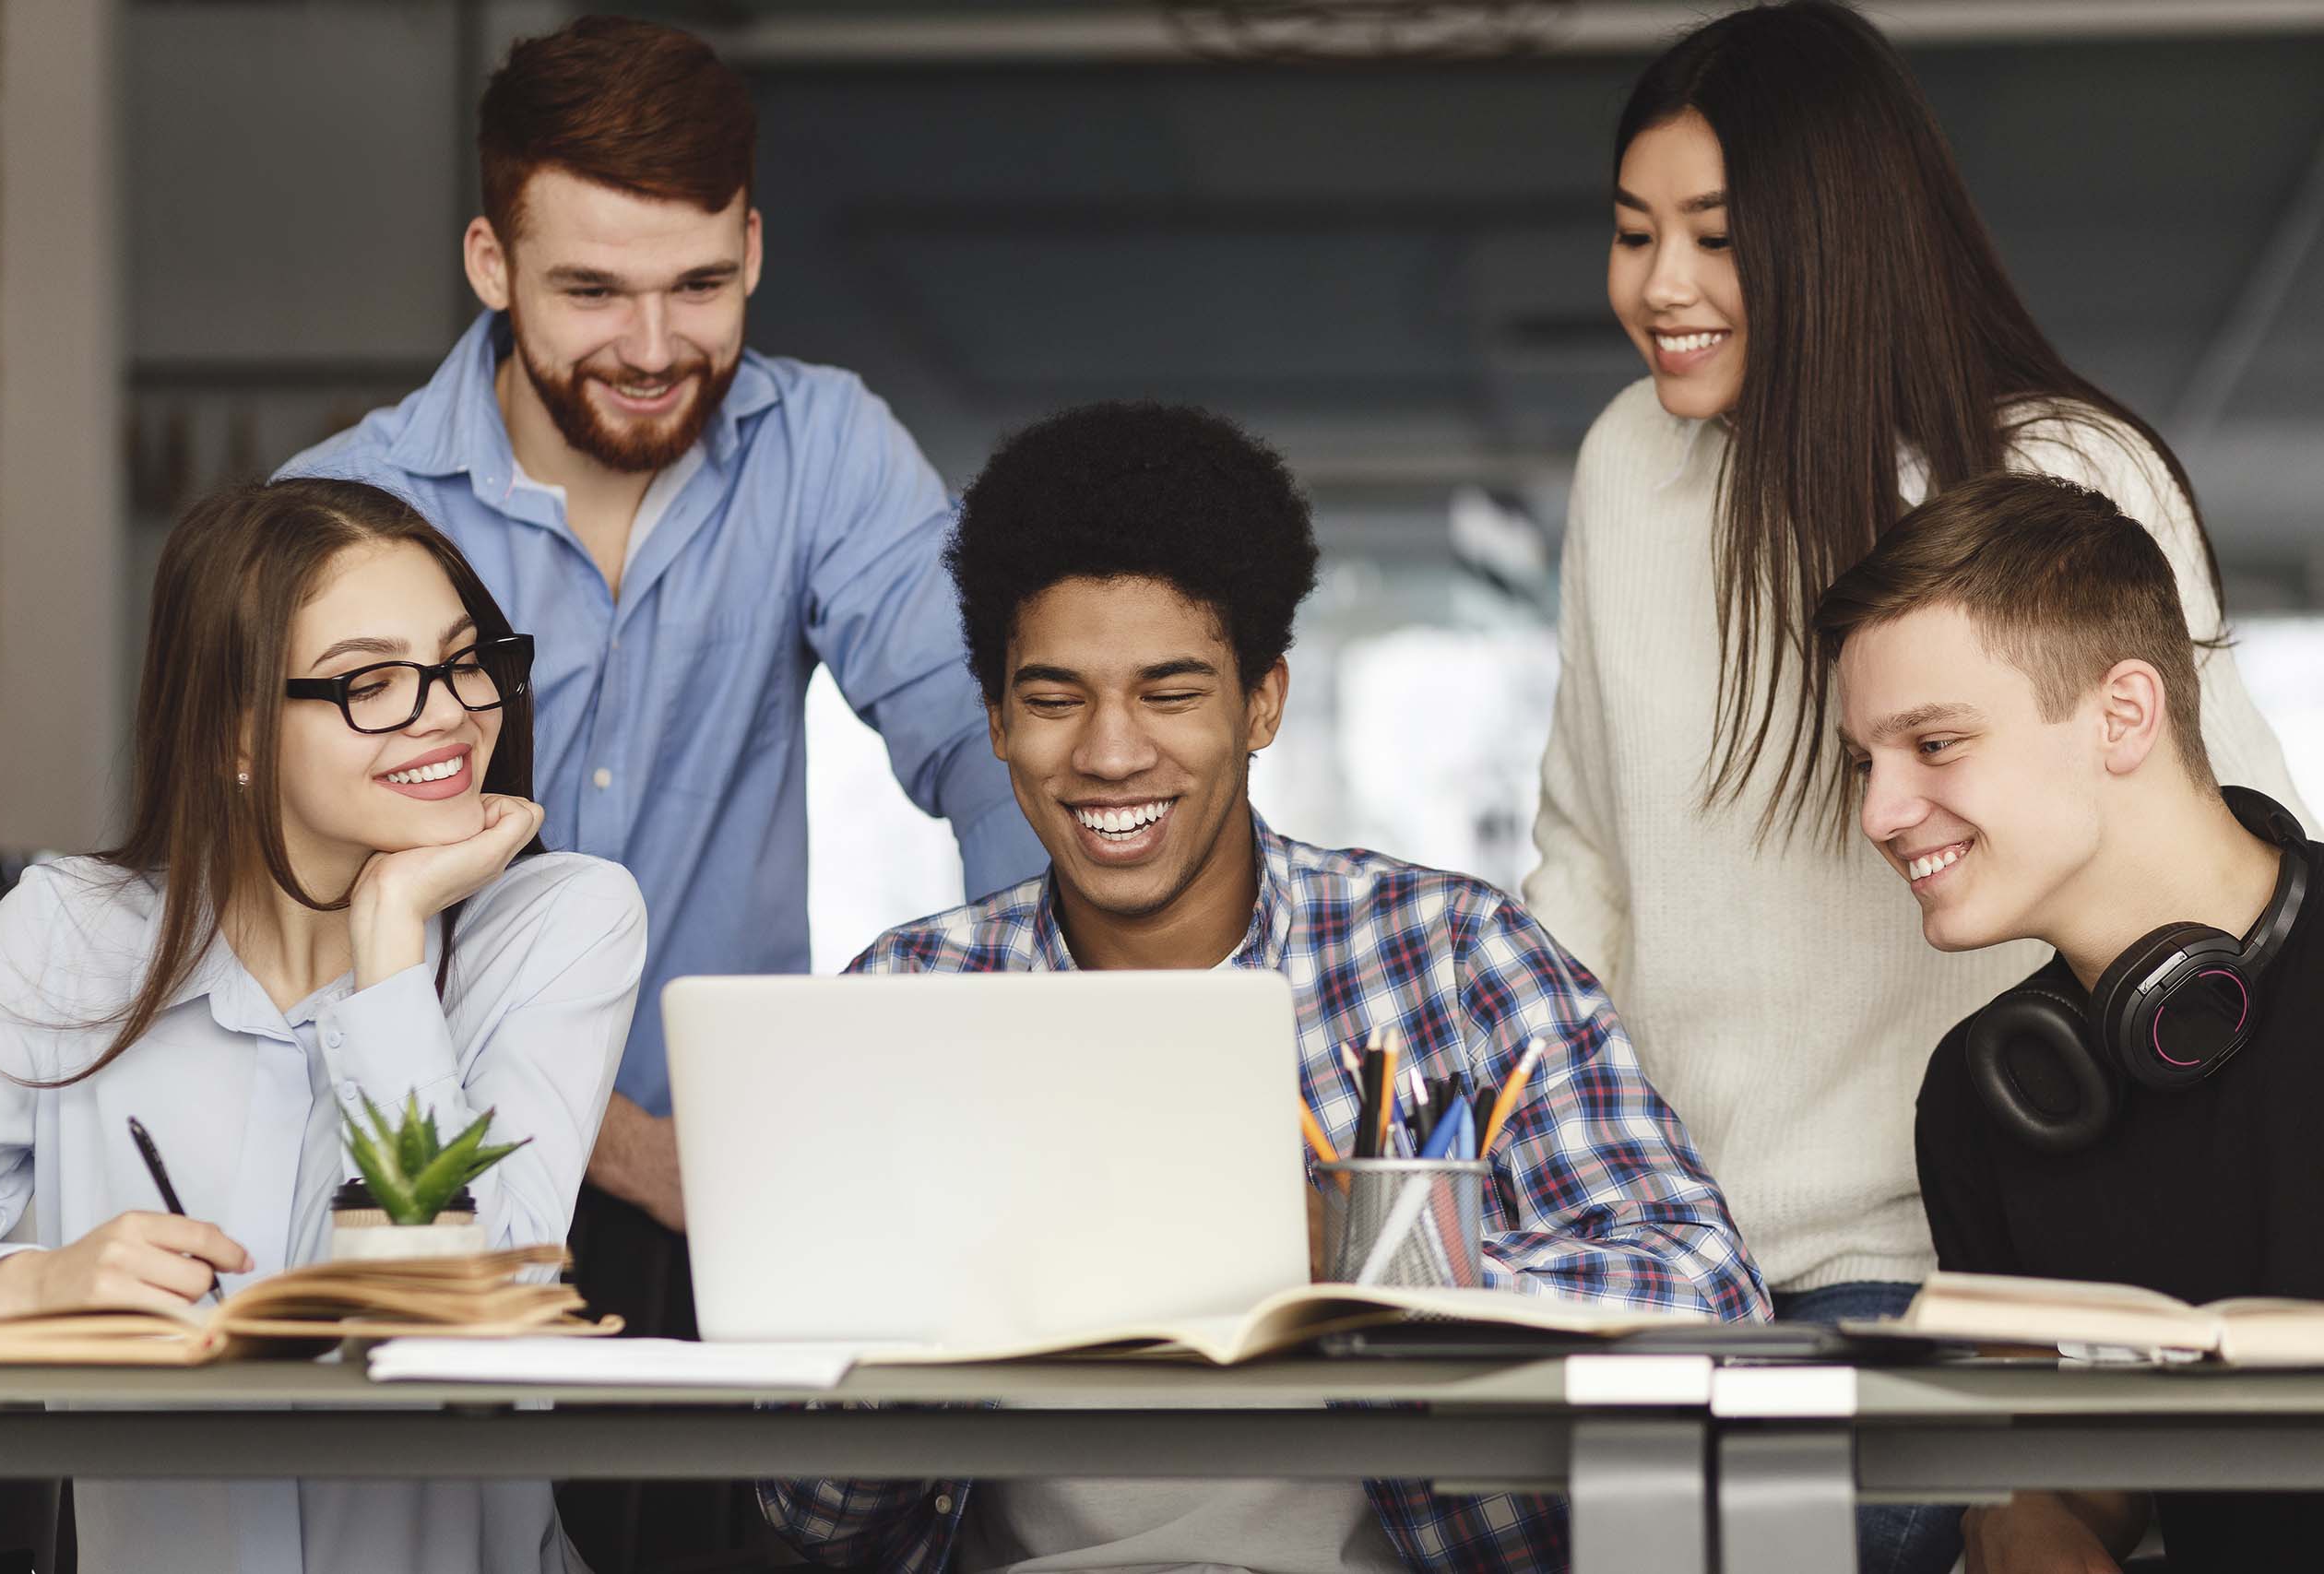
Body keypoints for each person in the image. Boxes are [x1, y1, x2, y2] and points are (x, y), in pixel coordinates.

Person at [1523, 5, 2308, 1568]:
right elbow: (1584, 862)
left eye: (1715, 236)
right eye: (1632, 233)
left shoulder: (2063, 472)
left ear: (1831, 236)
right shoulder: (1630, 466)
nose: (1659, 286)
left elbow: (2216, 867)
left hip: (1962, 1256)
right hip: (1672, 1274)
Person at [757, 400, 1767, 1574]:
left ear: (1262, 704)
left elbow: (1710, 1310)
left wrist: (1359, 1255)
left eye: (1171, 693)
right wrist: (940, 1310)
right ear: (995, 719)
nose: (1110, 752)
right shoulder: (907, 1003)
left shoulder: (1451, 956)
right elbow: (806, 1511)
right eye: (1053, 699)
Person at [279, 18, 1040, 1563]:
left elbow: (986, 746)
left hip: (732, 1199)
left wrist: (1037, 1043)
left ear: (753, 244)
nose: (650, 344)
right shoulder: (337, 514)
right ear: (492, 262)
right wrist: (626, 1144)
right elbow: (294, 911)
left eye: (699, 285)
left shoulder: (821, 445)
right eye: (592, 291)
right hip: (427, 1181)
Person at [0, 477, 645, 1573]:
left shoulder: (562, 920)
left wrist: (388, 942)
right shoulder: (66, 936)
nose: (447, 711)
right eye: (368, 682)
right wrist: (17, 1285)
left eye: (463, 660)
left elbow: (451, 1316)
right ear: (234, 733)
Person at [1817, 471, 2323, 1574]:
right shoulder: (1986, 1092)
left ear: (2123, 715)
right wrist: (2026, 1510)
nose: (1877, 813)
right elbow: (2067, 1463)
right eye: (1866, 761)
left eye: (1934, 744)